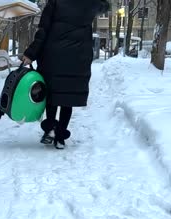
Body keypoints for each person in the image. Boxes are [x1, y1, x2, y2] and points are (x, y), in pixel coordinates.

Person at [22, 0, 110, 149]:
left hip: (53, 56)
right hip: (78, 57)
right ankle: (61, 136)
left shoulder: (55, 2)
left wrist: (31, 53)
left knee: (52, 95)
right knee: (68, 97)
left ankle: (50, 130)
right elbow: (105, 5)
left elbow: (43, 30)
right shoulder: (91, 4)